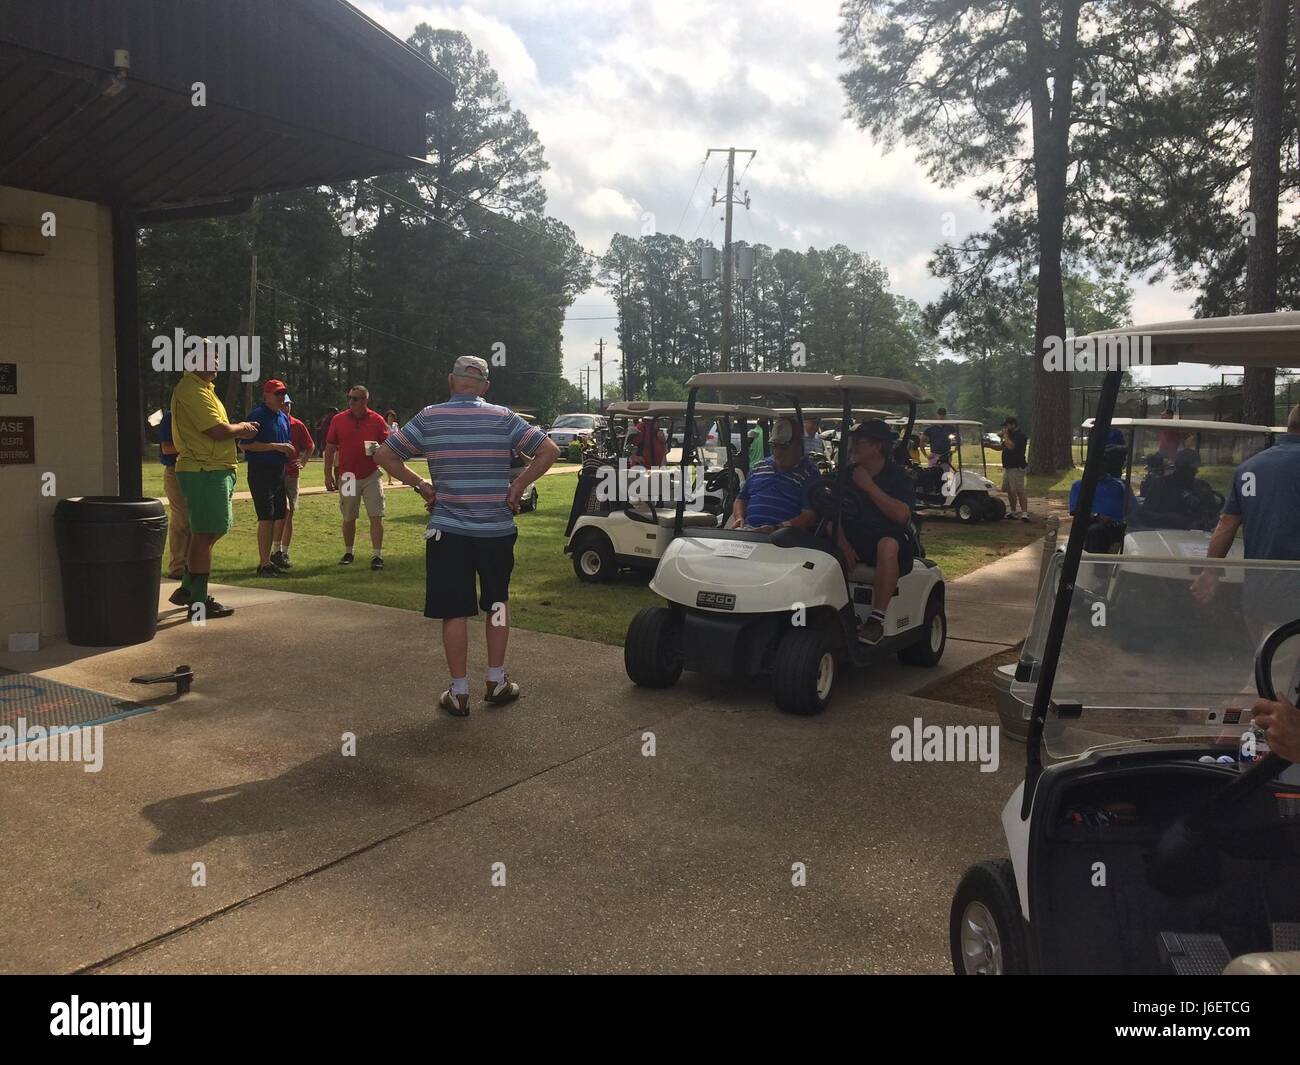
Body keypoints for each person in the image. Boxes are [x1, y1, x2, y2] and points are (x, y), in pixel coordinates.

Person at [373, 355, 560, 716]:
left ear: (451, 382)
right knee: (497, 604)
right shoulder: (503, 417)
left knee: (454, 610)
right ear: (485, 387)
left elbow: (384, 454)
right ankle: (496, 680)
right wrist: (518, 485)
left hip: (449, 531)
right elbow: (548, 450)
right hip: (496, 530)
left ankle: (459, 692)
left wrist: (422, 486)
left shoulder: (429, 417)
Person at [169, 341, 259, 619]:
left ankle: (187, 587)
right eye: (209, 356)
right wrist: (243, 428)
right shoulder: (191, 390)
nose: (216, 361)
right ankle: (199, 601)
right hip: (203, 470)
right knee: (205, 533)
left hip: (214, 469)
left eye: (217, 356)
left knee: (213, 530)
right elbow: (217, 431)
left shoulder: (205, 390)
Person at [1193, 403, 1300, 620]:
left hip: (1257, 587)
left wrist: (1210, 571)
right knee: (1282, 651)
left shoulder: (1249, 468)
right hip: (1294, 588)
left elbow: (1226, 524)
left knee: (1264, 648)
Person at [835, 419, 916, 645]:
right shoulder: (847, 474)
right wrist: (842, 543)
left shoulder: (898, 477)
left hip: (891, 540)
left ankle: (875, 620)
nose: (853, 447)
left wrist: (869, 487)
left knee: (887, 545)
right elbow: (833, 513)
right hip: (853, 539)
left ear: (876, 446)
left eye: (858, 442)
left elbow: (901, 515)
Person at [323, 385, 389, 570]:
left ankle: (377, 556)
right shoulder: (338, 420)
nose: (350, 402)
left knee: (376, 515)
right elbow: (329, 448)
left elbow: (388, 445)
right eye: (349, 398)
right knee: (349, 515)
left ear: (365, 400)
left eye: (355, 398)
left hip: (372, 475)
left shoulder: (377, 420)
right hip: (348, 476)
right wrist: (328, 474)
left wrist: (378, 448)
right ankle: (348, 552)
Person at [239, 379, 296, 577]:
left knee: (281, 514)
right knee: (266, 518)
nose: (281, 397)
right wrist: (276, 446)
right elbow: (244, 445)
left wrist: (287, 450)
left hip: (279, 470)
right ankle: (263, 564)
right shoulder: (257, 416)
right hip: (260, 470)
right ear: (267, 395)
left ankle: (273, 558)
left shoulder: (282, 417)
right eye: (277, 393)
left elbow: (285, 441)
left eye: (283, 393)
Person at [729, 417, 819, 532]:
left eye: (784, 447)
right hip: (748, 532)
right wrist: (739, 517)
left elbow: (809, 516)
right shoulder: (758, 466)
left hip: (784, 537)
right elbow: (741, 499)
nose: (778, 453)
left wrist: (778, 528)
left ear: (798, 445)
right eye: (774, 446)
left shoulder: (809, 472)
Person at [1068, 443, 1135, 552]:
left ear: (1106, 465)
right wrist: (1097, 516)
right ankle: (1096, 567)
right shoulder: (1080, 486)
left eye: (1102, 463)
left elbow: (1131, 509)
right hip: (1094, 525)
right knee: (1096, 531)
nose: (1098, 467)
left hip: (1117, 526)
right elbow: (1076, 511)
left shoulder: (1118, 485)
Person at [279, 397, 315, 568]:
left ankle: (283, 551)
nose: (286, 407)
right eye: (284, 404)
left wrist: (303, 462)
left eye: (288, 404)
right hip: (274, 473)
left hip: (292, 474)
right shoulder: (272, 422)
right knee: (278, 513)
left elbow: (310, 445)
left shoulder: (297, 425)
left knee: (289, 513)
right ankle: (275, 550)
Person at [157, 408, 190, 588]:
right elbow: (167, 448)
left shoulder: (200, 414)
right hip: (175, 472)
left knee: (197, 520)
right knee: (181, 519)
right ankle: (177, 567)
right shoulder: (172, 416)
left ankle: (192, 565)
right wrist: (194, 444)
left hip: (196, 472)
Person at [989, 415, 1030, 521]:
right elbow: (1002, 447)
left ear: (1012, 425)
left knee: (1019, 490)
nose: (1005, 429)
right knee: (1010, 490)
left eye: (1006, 426)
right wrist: (988, 445)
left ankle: (1024, 512)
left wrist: (1006, 435)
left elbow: (1011, 446)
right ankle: (1013, 511)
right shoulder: (1010, 436)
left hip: (1017, 467)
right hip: (1008, 467)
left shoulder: (1020, 436)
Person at [383, 409, 400, 484]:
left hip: (396, 445)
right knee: (388, 463)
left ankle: (403, 479)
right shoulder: (384, 424)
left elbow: (399, 433)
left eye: (392, 417)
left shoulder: (395, 425)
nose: (391, 418)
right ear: (387, 417)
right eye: (389, 417)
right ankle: (390, 480)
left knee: (399, 462)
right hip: (387, 445)